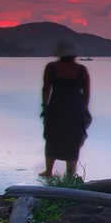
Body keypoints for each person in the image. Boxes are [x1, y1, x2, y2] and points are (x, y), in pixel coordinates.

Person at [40, 38, 91, 178]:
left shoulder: (51, 67)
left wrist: (44, 106)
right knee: (73, 140)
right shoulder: (81, 70)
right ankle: (69, 175)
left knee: (52, 138)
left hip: (56, 106)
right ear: (74, 55)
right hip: (75, 109)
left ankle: (49, 172)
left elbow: (46, 89)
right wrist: (83, 109)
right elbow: (86, 93)